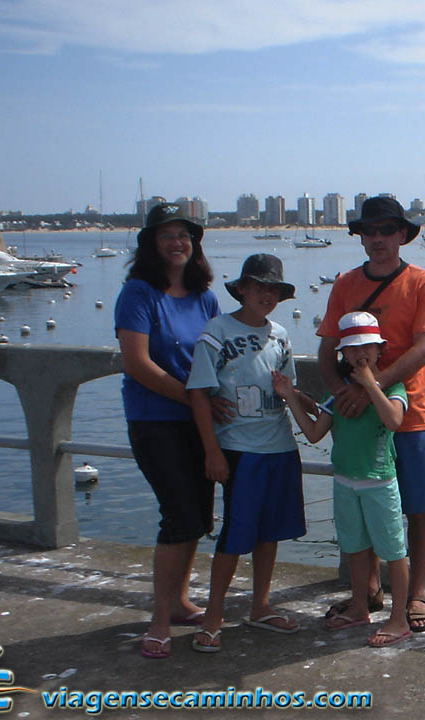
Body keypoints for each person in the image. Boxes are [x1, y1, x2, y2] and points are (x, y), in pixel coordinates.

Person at [316, 196, 425, 633]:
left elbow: (423, 349)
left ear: (402, 236)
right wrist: (342, 393)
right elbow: (325, 349)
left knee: (417, 507)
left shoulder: (422, 283)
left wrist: (370, 387)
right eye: (369, 231)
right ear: (361, 237)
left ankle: (417, 594)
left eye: (386, 231)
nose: (378, 239)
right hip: (358, 420)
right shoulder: (344, 284)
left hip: (405, 413)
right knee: (363, 503)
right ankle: (368, 590)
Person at [184, 254, 306, 652]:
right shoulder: (216, 331)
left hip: (280, 447)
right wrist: (211, 451)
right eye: (258, 287)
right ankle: (214, 615)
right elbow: (199, 395)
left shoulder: (281, 335)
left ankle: (260, 606)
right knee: (235, 537)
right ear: (241, 289)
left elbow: (290, 389)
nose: (265, 294)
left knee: (269, 532)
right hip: (239, 450)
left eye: (273, 289)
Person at [115, 202, 220, 660]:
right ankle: (159, 618)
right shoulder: (138, 293)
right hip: (155, 421)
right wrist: (193, 398)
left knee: (197, 515)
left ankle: (179, 603)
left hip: (200, 422)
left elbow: (219, 356)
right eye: (167, 235)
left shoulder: (206, 295)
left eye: (184, 235)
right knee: (177, 514)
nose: (177, 243)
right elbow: (137, 363)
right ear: (151, 244)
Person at [275, 312, 412, 647]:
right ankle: (359, 608)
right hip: (345, 484)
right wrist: (290, 396)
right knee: (354, 548)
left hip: (380, 482)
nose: (359, 353)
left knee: (394, 552)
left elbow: (394, 420)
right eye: (352, 349)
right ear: (343, 355)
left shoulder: (393, 387)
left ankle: (399, 619)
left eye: (367, 346)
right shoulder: (338, 395)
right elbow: (313, 433)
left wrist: (369, 384)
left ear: (380, 350)